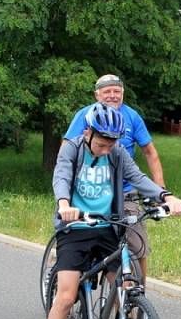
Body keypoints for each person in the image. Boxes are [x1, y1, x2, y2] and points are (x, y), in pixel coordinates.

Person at [35, 103, 181, 319]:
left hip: (108, 228)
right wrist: (65, 204)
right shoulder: (73, 150)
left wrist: (165, 196)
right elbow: (61, 177)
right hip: (75, 227)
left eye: (112, 144)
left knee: (128, 289)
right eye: (102, 143)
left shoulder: (117, 154)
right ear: (88, 133)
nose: (107, 150)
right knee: (65, 297)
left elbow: (138, 177)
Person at [64, 74, 165, 283]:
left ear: (123, 93)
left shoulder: (132, 117)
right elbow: (66, 152)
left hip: (125, 192)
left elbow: (150, 152)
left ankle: (134, 297)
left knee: (138, 246)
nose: (112, 95)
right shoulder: (85, 115)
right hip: (90, 189)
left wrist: (161, 191)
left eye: (116, 91)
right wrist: (67, 194)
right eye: (107, 91)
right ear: (97, 94)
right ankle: (64, 278)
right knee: (76, 242)